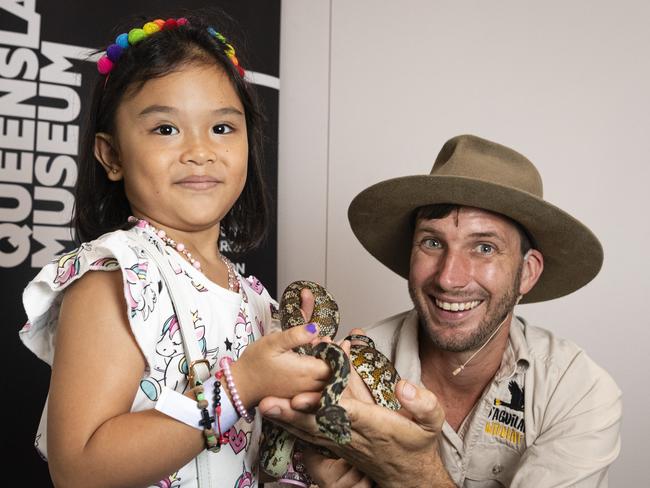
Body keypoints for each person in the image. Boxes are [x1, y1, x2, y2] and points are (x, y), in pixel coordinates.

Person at [18, 12, 332, 488]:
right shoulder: (116, 277)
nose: (199, 151)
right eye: (166, 129)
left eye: (222, 129)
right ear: (113, 155)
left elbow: (255, 455)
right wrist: (241, 385)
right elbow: (79, 468)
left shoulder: (252, 296)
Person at [258, 134, 623, 487]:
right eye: (432, 242)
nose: (449, 278)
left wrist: (410, 474)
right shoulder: (347, 366)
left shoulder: (578, 392)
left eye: (484, 248)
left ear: (527, 272)